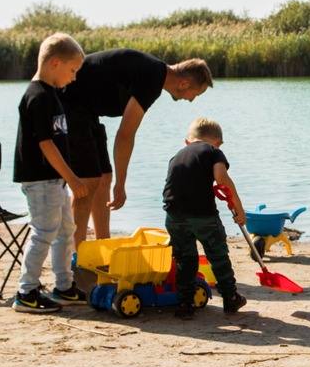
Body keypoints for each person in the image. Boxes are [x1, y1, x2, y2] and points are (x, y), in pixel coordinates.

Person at [61, 48, 214, 246]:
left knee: (104, 177)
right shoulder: (152, 78)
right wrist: (121, 184)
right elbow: (125, 135)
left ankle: (102, 245)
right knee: (88, 182)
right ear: (184, 83)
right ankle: (75, 256)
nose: (192, 99)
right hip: (69, 103)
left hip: (88, 111)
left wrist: (116, 179)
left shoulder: (154, 73)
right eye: (196, 94)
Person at [12, 33, 89, 313]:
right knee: (44, 232)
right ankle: (27, 291)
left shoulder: (52, 94)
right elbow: (45, 144)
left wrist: (65, 177)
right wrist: (71, 176)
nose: (74, 77)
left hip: (53, 180)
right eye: (72, 70)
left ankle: (64, 286)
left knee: (66, 230)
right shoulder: (37, 96)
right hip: (40, 178)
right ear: (55, 63)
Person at [162, 117, 247, 319]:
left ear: (187, 141)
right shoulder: (213, 152)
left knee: (184, 259)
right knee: (217, 254)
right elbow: (222, 179)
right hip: (202, 214)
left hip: (174, 215)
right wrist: (239, 209)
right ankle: (230, 297)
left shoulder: (176, 156)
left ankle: (185, 303)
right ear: (218, 143)